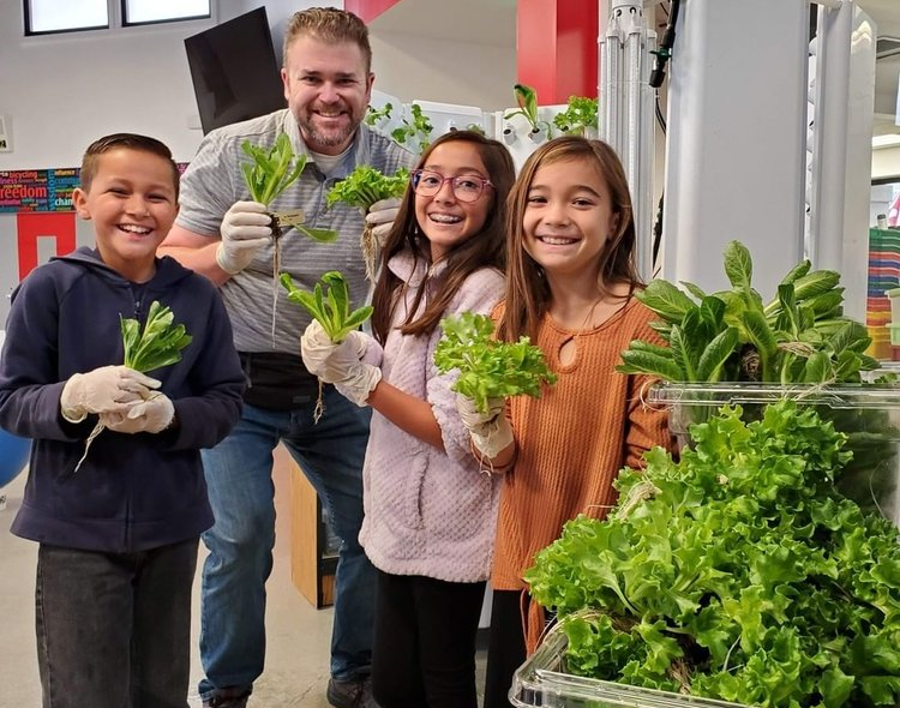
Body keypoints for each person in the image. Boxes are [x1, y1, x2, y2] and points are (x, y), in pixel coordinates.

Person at [157, 7, 415, 708]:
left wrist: (409, 250)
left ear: (369, 85)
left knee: (373, 527)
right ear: (285, 81)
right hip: (236, 383)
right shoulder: (231, 153)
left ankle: (355, 672)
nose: (329, 95)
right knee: (240, 536)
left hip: (343, 379)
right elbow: (166, 266)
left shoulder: (399, 167)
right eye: (313, 79)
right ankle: (227, 688)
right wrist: (223, 255)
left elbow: (435, 290)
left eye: (345, 80)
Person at [0, 133, 245, 708]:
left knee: (160, 689)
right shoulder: (49, 287)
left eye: (157, 196)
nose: (139, 208)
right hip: (75, 531)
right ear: (82, 201)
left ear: (177, 210)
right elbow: (11, 399)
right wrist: (72, 397)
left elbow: (227, 399)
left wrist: (170, 417)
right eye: (119, 191)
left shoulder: (198, 296)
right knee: (84, 690)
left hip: (171, 527)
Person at [455, 136, 674, 708]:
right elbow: (502, 461)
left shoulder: (647, 324)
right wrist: (486, 430)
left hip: (605, 580)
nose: (555, 217)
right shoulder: (508, 319)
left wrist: (596, 569)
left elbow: (651, 469)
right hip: (520, 568)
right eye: (539, 199)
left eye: (581, 201)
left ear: (616, 220)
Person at [299, 130, 515, 708]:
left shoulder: (484, 289)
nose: (444, 195)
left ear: (496, 198)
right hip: (397, 508)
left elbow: (452, 431)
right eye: (431, 178)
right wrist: (349, 350)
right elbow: (397, 363)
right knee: (395, 681)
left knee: (442, 674)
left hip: (448, 516)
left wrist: (362, 383)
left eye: (467, 183)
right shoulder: (409, 270)